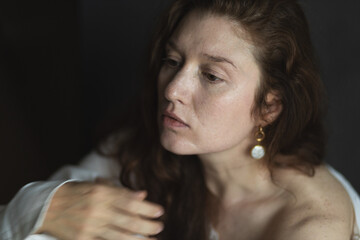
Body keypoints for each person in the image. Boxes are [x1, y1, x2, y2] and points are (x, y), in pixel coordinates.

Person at [1, 0, 359, 239]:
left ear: (269, 107)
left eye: (211, 76)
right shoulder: (138, 152)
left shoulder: (313, 222)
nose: (173, 89)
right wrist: (41, 208)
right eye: (172, 61)